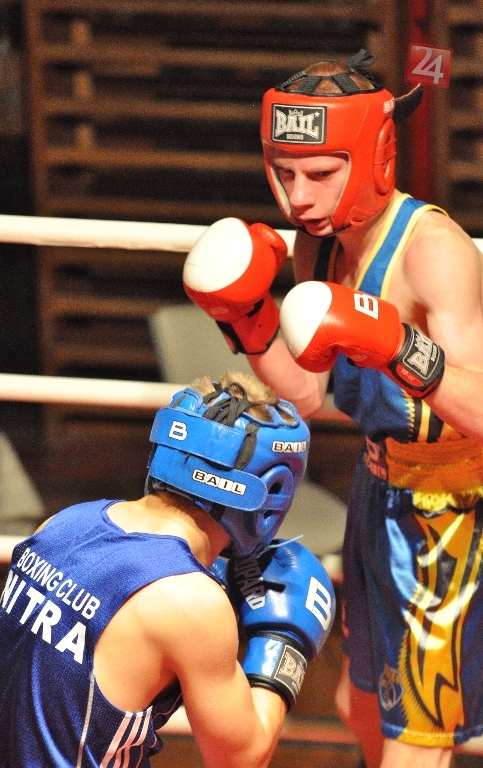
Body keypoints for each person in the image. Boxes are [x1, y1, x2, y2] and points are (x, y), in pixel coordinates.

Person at [182, 49, 483, 768]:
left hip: (450, 510)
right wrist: (249, 319)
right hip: (376, 492)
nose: (301, 197)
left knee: (417, 744)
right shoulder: (314, 249)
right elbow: (308, 392)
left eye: (321, 174)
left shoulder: (432, 251)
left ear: (375, 157)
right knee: (361, 706)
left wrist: (399, 346)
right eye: (286, 173)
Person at [0, 371, 335, 768]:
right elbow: (242, 758)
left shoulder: (63, 523)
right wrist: (283, 644)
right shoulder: (191, 601)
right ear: (271, 489)